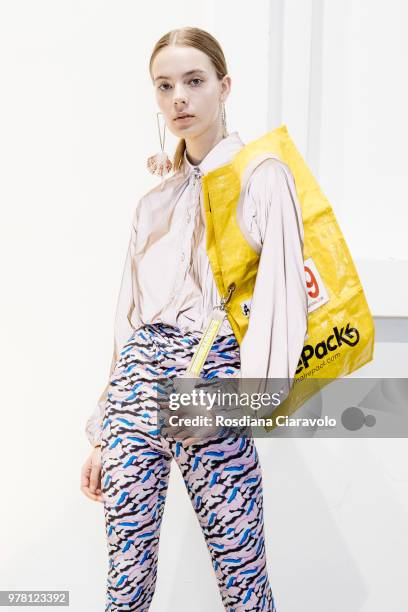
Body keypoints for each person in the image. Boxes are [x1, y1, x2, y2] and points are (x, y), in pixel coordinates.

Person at [80, 26, 308, 612]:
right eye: (164, 86)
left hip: (214, 378)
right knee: (124, 586)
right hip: (138, 380)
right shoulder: (155, 201)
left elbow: (284, 309)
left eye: (193, 81)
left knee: (242, 580)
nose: (178, 97)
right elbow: (128, 321)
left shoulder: (262, 177)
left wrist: (244, 403)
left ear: (223, 87)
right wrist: (106, 430)